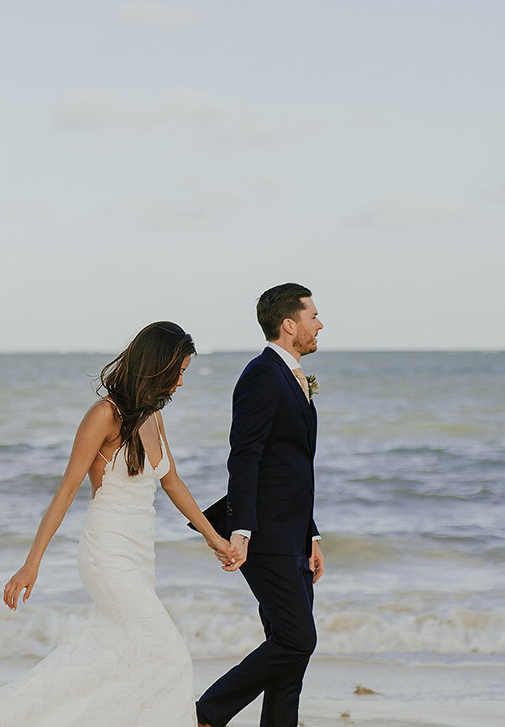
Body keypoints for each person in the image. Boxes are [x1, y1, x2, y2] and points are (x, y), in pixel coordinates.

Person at [0, 321, 238, 727]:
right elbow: (65, 492)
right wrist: (32, 563)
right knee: (170, 655)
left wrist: (214, 537)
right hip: (106, 554)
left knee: (120, 658)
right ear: (157, 367)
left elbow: (172, 482)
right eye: (179, 371)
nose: (182, 382)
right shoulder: (104, 415)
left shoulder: (153, 417)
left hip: (139, 556)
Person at [194, 284, 325, 727]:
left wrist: (312, 534)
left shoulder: (294, 377)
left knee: (290, 658)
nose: (319, 325)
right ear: (290, 325)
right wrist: (241, 531)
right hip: (264, 533)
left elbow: (290, 466)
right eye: (313, 316)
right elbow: (245, 455)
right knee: (296, 640)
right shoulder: (261, 375)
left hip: (292, 534)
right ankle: (206, 714)